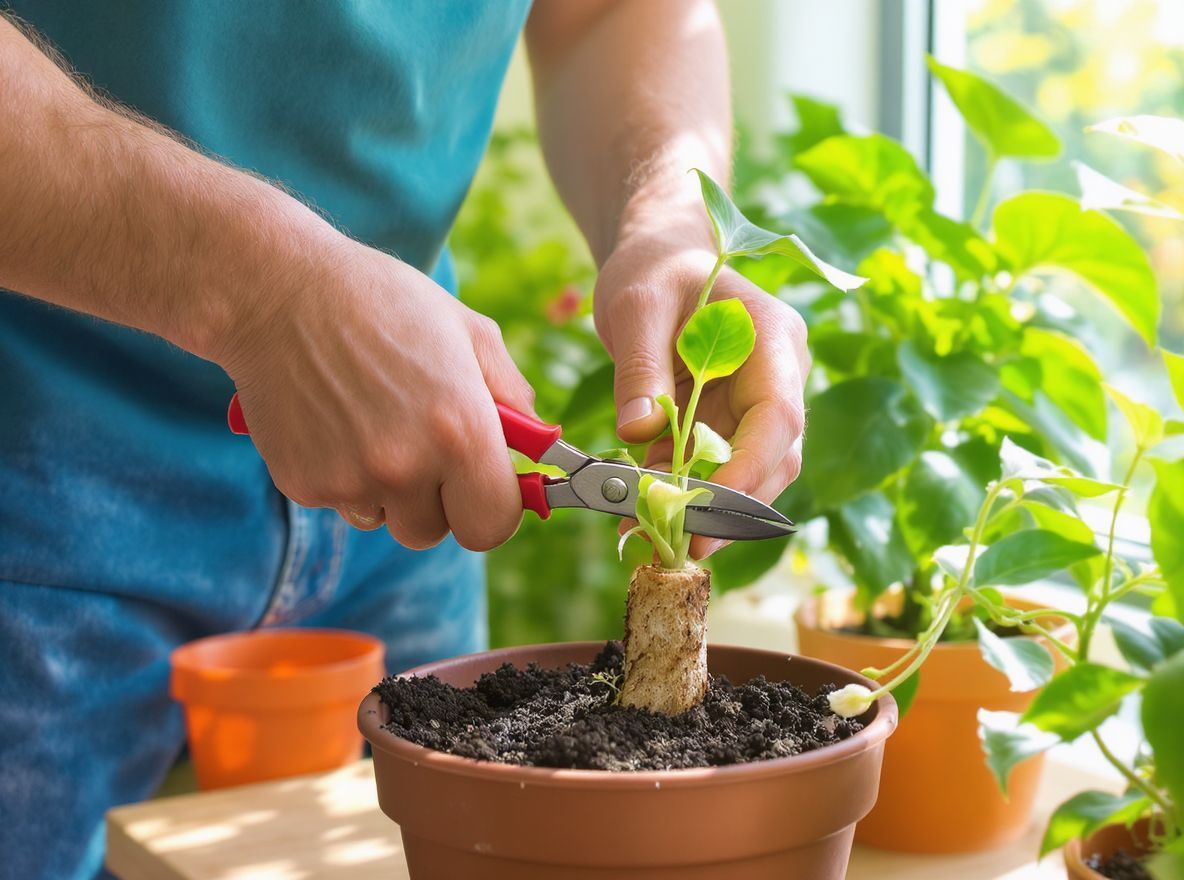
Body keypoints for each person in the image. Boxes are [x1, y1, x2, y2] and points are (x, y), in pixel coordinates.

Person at [0, 2, 809, 877]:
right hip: (36, 460)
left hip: (418, 469)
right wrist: (262, 291)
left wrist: (667, 219)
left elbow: (606, 15)